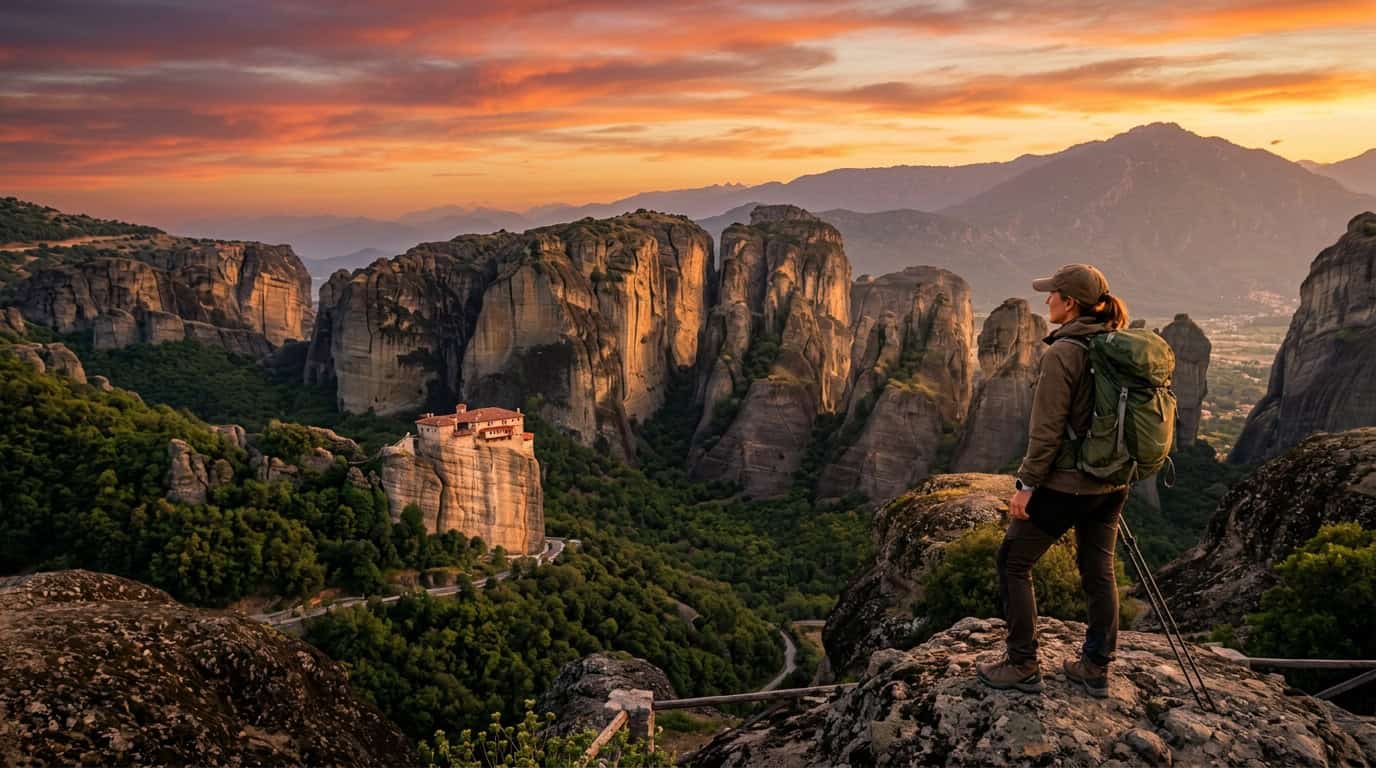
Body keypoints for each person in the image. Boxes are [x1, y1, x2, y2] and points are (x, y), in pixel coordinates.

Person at [976, 263, 1131, 699]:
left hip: (1068, 484)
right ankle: (1096, 666)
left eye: (1053, 295)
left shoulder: (1064, 352)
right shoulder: (1113, 343)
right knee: (1098, 569)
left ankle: (1022, 663)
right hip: (1113, 483)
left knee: (1013, 562)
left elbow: (1046, 430)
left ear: (1071, 302)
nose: (1047, 301)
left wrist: (1026, 485)